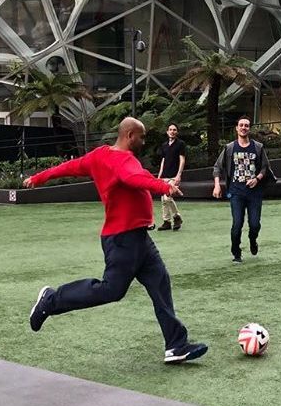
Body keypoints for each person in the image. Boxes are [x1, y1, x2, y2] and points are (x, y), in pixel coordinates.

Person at [23, 117, 208, 364]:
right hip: (123, 239)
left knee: (160, 282)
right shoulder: (122, 162)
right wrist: (164, 187)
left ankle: (176, 345)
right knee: (111, 290)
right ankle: (51, 300)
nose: (143, 142)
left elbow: (70, 167)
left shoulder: (100, 156)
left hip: (139, 237)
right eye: (141, 137)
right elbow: (134, 179)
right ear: (130, 135)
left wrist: (39, 178)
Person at [213, 116, 273, 263]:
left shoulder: (258, 147)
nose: (244, 127)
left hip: (254, 193)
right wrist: (217, 185)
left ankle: (253, 240)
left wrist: (257, 178)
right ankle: (236, 253)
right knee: (237, 224)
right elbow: (217, 167)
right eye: (241, 125)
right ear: (237, 128)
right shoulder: (229, 148)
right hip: (236, 192)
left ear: (249, 128)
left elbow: (265, 167)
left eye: (246, 125)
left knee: (254, 224)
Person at [157, 123, 186, 231]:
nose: (172, 131)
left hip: (174, 176)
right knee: (164, 200)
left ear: (177, 132)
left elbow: (182, 160)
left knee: (167, 197)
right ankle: (166, 222)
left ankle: (177, 216)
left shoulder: (180, 144)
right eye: (170, 129)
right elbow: (163, 161)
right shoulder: (164, 145)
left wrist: (179, 175)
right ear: (167, 131)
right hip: (164, 175)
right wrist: (159, 176)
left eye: (174, 130)